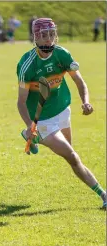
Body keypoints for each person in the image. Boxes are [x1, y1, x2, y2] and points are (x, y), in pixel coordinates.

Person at [16, 18, 106, 209]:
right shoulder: (27, 64)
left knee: (69, 152)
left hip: (63, 110)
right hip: (43, 120)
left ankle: (33, 139)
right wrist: (29, 125)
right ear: (35, 37)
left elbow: (80, 82)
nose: (48, 40)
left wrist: (86, 102)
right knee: (72, 157)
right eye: (43, 35)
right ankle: (103, 195)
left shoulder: (62, 55)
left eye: (51, 34)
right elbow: (21, 102)